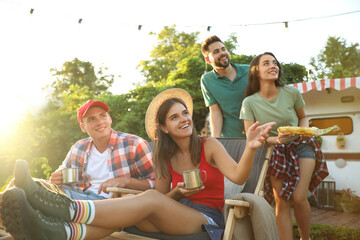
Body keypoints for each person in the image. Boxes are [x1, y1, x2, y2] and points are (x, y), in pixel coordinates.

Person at [1, 88, 275, 240]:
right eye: (175, 117)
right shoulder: (164, 156)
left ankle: (67, 209)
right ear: (165, 128)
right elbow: (167, 197)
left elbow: (239, 177)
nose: (184, 119)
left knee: (149, 198)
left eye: (185, 114)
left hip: (205, 220)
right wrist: (179, 193)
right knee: (138, 207)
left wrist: (251, 147)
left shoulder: (209, 145)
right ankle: (62, 232)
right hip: (174, 212)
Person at [240, 52, 329, 240]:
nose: (273, 66)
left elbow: (303, 117)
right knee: (282, 201)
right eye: (266, 63)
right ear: (256, 72)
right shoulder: (249, 102)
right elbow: (252, 136)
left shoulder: (291, 93)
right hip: (275, 150)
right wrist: (276, 140)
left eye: (275, 63)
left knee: (299, 197)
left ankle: (306, 238)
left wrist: (301, 131)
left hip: (302, 145)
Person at [2, 100, 155, 200]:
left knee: (36, 194)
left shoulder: (134, 144)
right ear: (83, 127)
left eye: (103, 116)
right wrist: (58, 177)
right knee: (18, 182)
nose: (100, 122)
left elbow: (156, 183)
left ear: (110, 119)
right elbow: (68, 178)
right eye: (92, 119)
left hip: (110, 205)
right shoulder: (79, 148)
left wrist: (126, 181)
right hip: (82, 197)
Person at [200, 35, 249, 137]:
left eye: (223, 49)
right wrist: (216, 140)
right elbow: (215, 111)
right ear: (208, 60)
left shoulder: (249, 71)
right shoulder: (207, 80)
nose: (222, 53)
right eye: (216, 51)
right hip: (230, 138)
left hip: (257, 135)